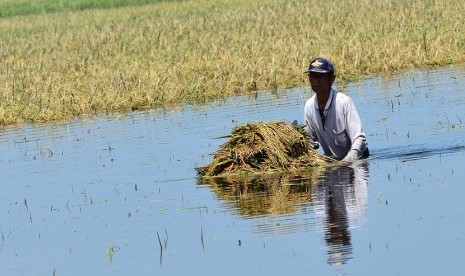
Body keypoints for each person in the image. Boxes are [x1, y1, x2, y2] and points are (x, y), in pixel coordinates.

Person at [303, 57, 369, 162]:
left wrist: (346, 162)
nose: (315, 81)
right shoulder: (309, 106)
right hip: (335, 162)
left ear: (331, 79)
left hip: (358, 160)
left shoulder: (344, 102)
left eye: (320, 76)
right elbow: (311, 142)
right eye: (312, 76)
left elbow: (359, 139)